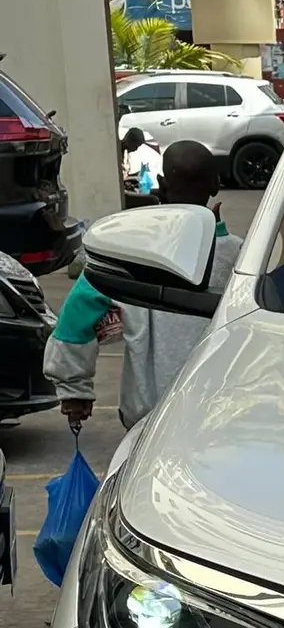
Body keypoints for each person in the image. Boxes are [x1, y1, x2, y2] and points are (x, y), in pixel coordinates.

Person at [47, 140, 241, 429]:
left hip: (147, 420)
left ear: (161, 184)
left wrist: (74, 389)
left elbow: (76, 317)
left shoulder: (130, 253)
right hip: (220, 416)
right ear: (216, 184)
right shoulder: (243, 257)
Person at [120, 126, 163, 199]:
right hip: (123, 191)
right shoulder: (117, 153)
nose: (136, 149)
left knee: (156, 192)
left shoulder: (126, 152)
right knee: (152, 199)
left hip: (127, 185)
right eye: (136, 146)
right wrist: (133, 178)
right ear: (129, 141)